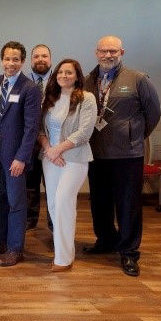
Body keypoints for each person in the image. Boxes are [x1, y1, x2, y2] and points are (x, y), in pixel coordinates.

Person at [83, 35, 161, 277]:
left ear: (122, 52)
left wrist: (133, 135)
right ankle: (105, 240)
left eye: (113, 51)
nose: (108, 55)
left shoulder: (138, 79)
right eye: (104, 51)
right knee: (100, 202)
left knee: (128, 204)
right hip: (96, 153)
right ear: (96, 53)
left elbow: (153, 114)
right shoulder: (88, 80)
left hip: (128, 155)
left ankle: (128, 251)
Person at [0, 41, 41, 267]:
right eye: (7, 58)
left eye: (16, 59)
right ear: (2, 60)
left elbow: (31, 128)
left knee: (16, 201)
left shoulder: (30, 88)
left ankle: (15, 249)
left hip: (15, 156)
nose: (11, 63)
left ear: (22, 61)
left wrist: (21, 157)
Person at [38, 59, 97, 271]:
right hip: (50, 157)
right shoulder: (50, 99)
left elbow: (84, 132)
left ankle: (63, 259)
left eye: (69, 72)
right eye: (61, 72)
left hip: (74, 157)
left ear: (77, 75)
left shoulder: (86, 98)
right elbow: (40, 130)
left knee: (63, 201)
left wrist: (58, 149)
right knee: (53, 205)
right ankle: (63, 252)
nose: (64, 75)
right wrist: (49, 149)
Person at [27, 44, 53, 230]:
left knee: (53, 185)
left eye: (44, 56)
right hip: (29, 143)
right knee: (29, 184)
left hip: (53, 143)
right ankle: (30, 220)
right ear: (31, 61)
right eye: (36, 56)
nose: (40, 59)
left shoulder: (60, 82)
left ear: (50, 59)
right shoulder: (23, 83)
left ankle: (54, 223)